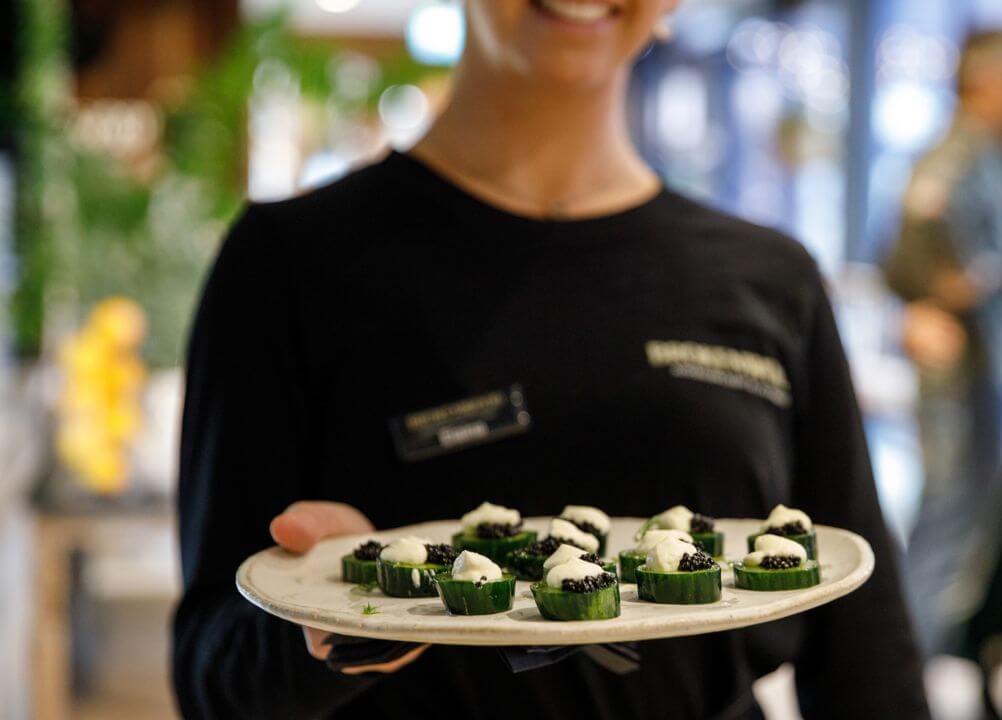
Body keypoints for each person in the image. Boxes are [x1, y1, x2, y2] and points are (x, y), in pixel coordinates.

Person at [170, 1, 928, 718]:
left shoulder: (771, 280)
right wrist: (316, 627)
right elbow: (212, 673)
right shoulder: (290, 264)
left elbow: (869, 663)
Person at [884, 29, 1002, 662]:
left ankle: (917, 655)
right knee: (947, 520)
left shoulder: (992, 153)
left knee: (961, 524)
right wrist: (941, 291)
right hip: (966, 373)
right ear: (993, 80)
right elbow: (905, 252)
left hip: (990, 368)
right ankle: (901, 664)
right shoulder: (954, 154)